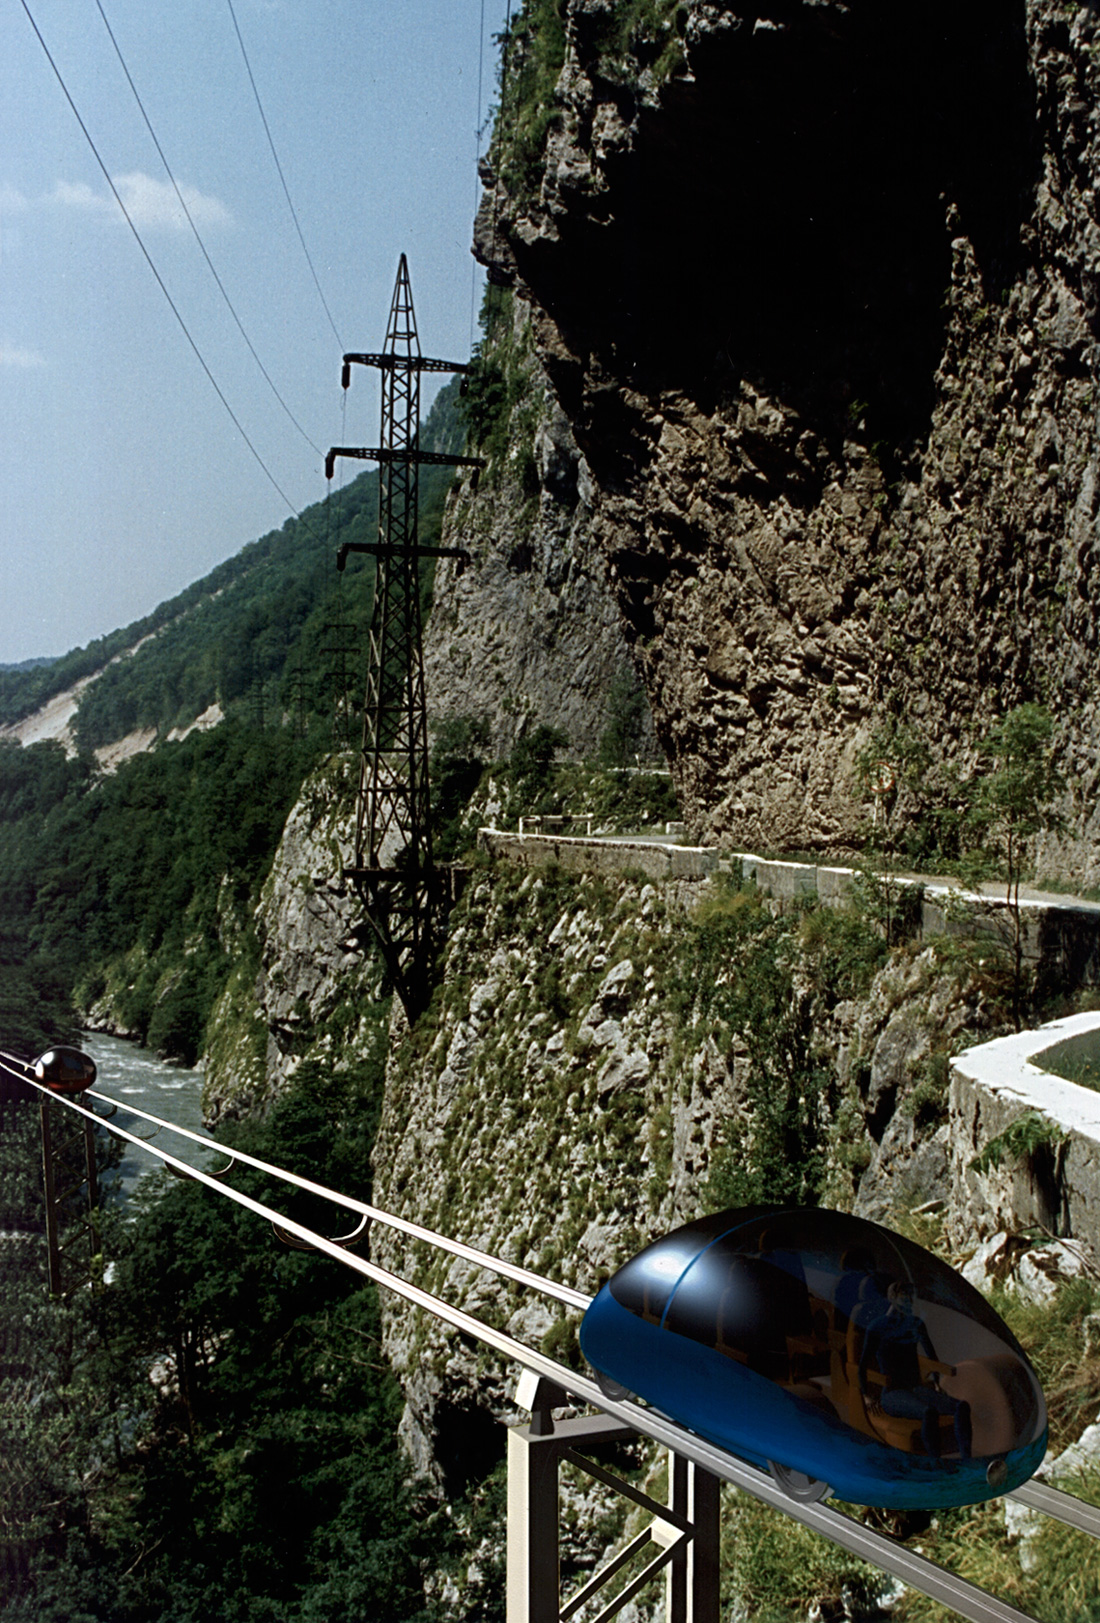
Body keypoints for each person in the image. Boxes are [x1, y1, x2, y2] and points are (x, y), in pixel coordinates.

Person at [858, 1280, 972, 1459]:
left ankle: (967, 1460)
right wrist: (865, 1395)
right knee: (929, 1411)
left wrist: (936, 1381)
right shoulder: (877, 1327)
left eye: (912, 1296)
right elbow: (862, 1364)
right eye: (906, 1296)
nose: (911, 1300)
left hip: (916, 1388)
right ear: (893, 1297)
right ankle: (936, 1463)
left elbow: (931, 1355)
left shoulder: (916, 1324)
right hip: (892, 1394)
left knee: (962, 1407)